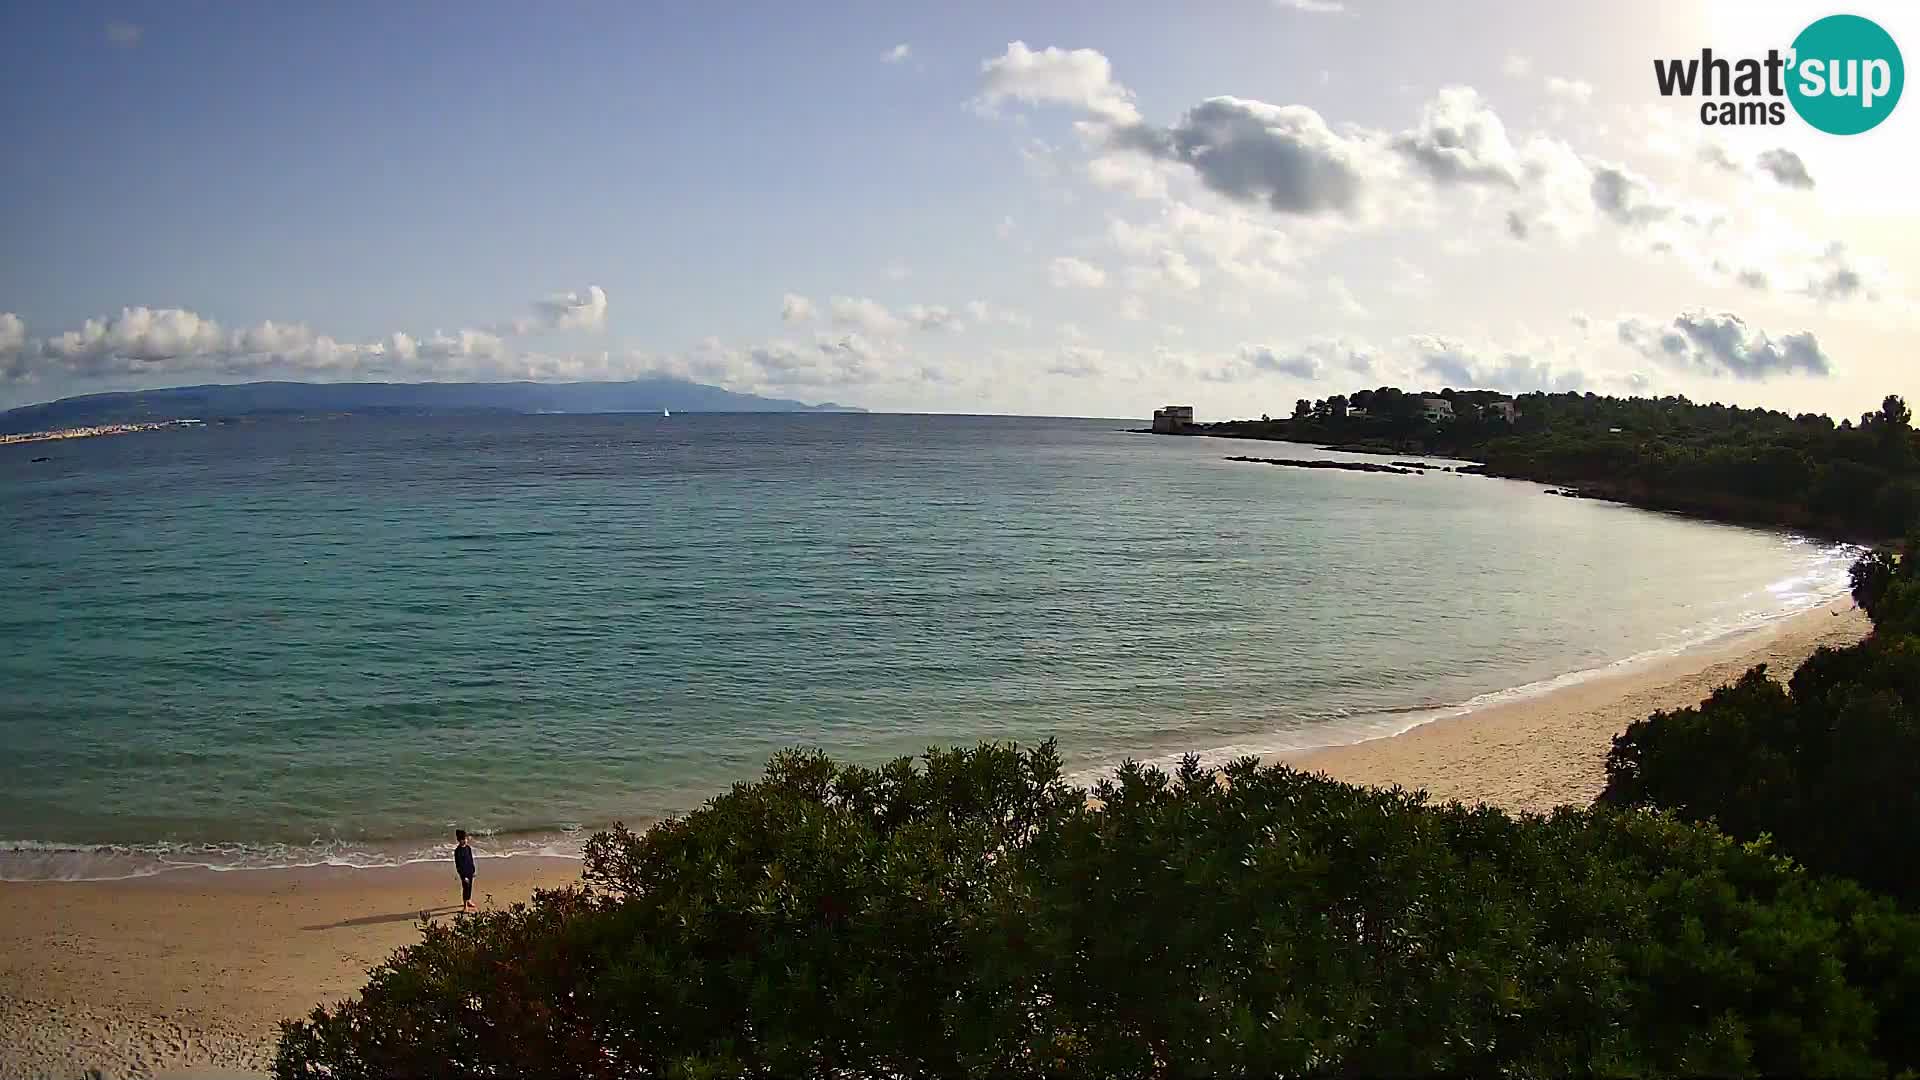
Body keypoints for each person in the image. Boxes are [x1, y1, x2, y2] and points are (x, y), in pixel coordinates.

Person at [454, 829, 476, 911]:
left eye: (466, 839)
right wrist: (463, 876)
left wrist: (473, 870)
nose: (465, 841)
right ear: (459, 840)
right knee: (465, 887)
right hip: (463, 873)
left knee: (470, 887)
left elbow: (471, 859)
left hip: (470, 870)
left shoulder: (468, 848)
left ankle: (469, 900)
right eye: (463, 839)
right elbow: (458, 865)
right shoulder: (457, 851)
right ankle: (465, 905)